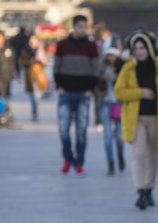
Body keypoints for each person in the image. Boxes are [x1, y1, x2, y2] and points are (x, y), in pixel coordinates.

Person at [115, 30, 158, 210]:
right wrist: (141, 93)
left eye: (143, 47)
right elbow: (119, 91)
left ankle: (149, 190)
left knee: (153, 156)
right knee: (138, 154)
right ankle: (140, 191)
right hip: (136, 118)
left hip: (156, 117)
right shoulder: (128, 68)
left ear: (149, 48)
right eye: (136, 48)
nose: (140, 51)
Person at [54, 15, 99, 176]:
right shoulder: (62, 44)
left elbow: (95, 68)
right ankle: (68, 159)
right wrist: (59, 86)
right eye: (80, 26)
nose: (83, 29)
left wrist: (91, 88)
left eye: (85, 26)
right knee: (63, 129)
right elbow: (56, 66)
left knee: (81, 130)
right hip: (65, 93)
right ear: (73, 27)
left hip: (83, 94)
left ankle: (79, 163)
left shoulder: (91, 46)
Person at [98, 48, 125, 175]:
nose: (111, 58)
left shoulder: (123, 68)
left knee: (119, 137)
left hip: (118, 104)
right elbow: (96, 87)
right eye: (109, 55)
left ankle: (120, 156)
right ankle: (110, 164)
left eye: (113, 55)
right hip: (105, 103)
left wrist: (115, 78)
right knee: (107, 136)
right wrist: (103, 80)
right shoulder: (101, 66)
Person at [20, 35, 43, 121]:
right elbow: (23, 62)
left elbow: (44, 62)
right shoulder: (25, 50)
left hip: (40, 76)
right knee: (33, 96)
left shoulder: (40, 50)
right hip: (30, 76)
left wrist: (41, 61)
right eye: (32, 39)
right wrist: (31, 62)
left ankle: (35, 110)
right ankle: (34, 112)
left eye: (35, 39)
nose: (33, 41)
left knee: (38, 95)